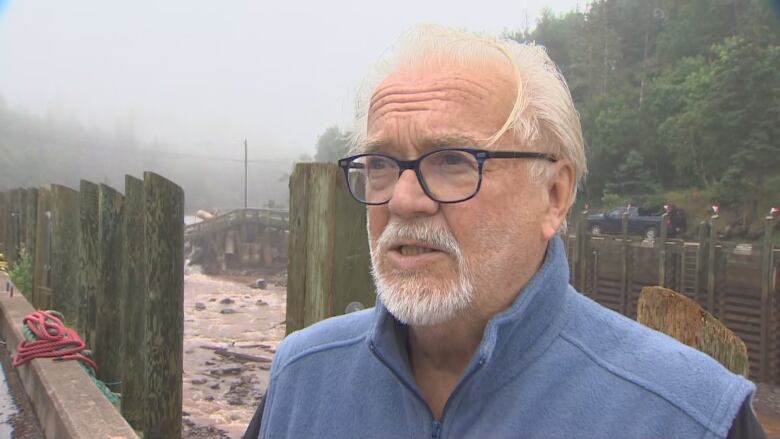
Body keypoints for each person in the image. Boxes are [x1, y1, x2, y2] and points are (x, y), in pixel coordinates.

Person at [245, 25, 763, 439]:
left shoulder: (690, 416)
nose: (402, 198)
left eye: (452, 160)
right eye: (380, 162)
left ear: (555, 196)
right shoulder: (301, 381)